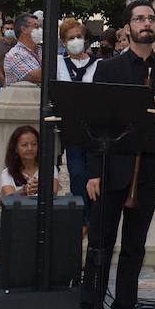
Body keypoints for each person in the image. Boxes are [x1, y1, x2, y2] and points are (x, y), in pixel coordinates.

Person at [74, 0, 155, 309]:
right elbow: (95, 123)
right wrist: (93, 172)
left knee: (136, 245)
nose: (146, 23)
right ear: (128, 27)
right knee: (100, 244)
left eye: (150, 18)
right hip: (112, 167)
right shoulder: (109, 69)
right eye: (139, 19)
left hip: (148, 169)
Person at [56, 18, 98, 223]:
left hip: (94, 127)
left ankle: (95, 217)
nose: (75, 41)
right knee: (77, 173)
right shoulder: (58, 63)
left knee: (94, 173)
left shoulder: (98, 64)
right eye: (71, 38)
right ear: (64, 42)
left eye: (79, 37)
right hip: (71, 127)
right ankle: (81, 218)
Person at [0, 125, 62, 197]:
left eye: (34, 144)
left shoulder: (49, 168)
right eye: (24, 145)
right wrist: (24, 190)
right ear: (15, 148)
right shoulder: (8, 172)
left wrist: (41, 188)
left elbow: (53, 192)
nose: (30, 148)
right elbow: (9, 197)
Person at [3, 13, 43, 86]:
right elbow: (38, 76)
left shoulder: (41, 50)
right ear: (24, 29)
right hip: (23, 97)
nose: (40, 30)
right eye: (36, 26)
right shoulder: (15, 55)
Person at [0, 19, 17, 96]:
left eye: (12, 29)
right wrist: (2, 78)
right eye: (7, 29)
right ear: (3, 30)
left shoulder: (18, 44)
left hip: (14, 81)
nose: (9, 31)